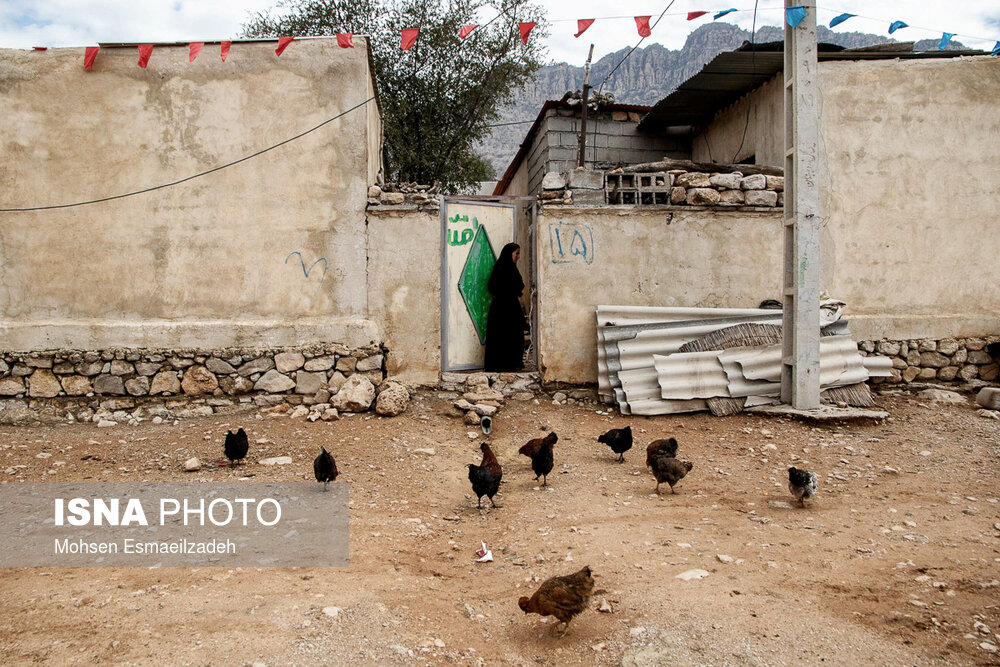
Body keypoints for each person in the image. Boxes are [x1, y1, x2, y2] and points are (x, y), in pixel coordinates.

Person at [484, 242, 527, 371]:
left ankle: (508, 364)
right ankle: (506, 364)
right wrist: (514, 291)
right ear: (510, 254)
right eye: (517, 253)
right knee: (503, 335)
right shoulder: (504, 269)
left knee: (509, 335)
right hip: (505, 307)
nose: (518, 256)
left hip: (504, 307)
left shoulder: (506, 268)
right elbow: (496, 286)